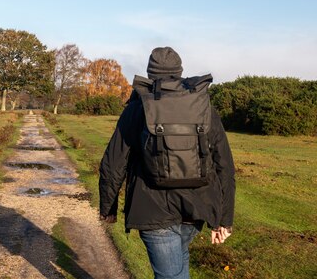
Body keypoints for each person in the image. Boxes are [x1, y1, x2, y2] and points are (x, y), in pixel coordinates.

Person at [98, 47, 235, 279]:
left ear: (151, 72)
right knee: (178, 270)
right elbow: (224, 166)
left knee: (172, 275)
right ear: (180, 71)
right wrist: (224, 220)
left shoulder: (138, 107)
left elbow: (113, 163)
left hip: (153, 209)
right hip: (196, 208)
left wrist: (108, 208)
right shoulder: (203, 107)